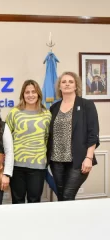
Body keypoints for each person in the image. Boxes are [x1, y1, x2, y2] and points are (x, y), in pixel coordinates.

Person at [47, 71, 100, 201]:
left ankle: (70, 221)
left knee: (67, 195)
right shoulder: (54, 108)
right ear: (59, 86)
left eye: (71, 82)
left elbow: (93, 133)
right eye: (64, 82)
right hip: (57, 160)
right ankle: (65, 221)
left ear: (76, 86)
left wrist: (89, 157)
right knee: (60, 195)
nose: (67, 84)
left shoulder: (86, 105)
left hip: (78, 160)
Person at [6, 80, 51, 204]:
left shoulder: (46, 114)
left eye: (33, 92)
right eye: (27, 92)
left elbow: (47, 138)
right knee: (17, 200)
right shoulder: (14, 113)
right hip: (16, 165)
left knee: (34, 200)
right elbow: (6, 138)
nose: (30, 95)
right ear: (23, 94)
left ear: (38, 94)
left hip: (38, 165)